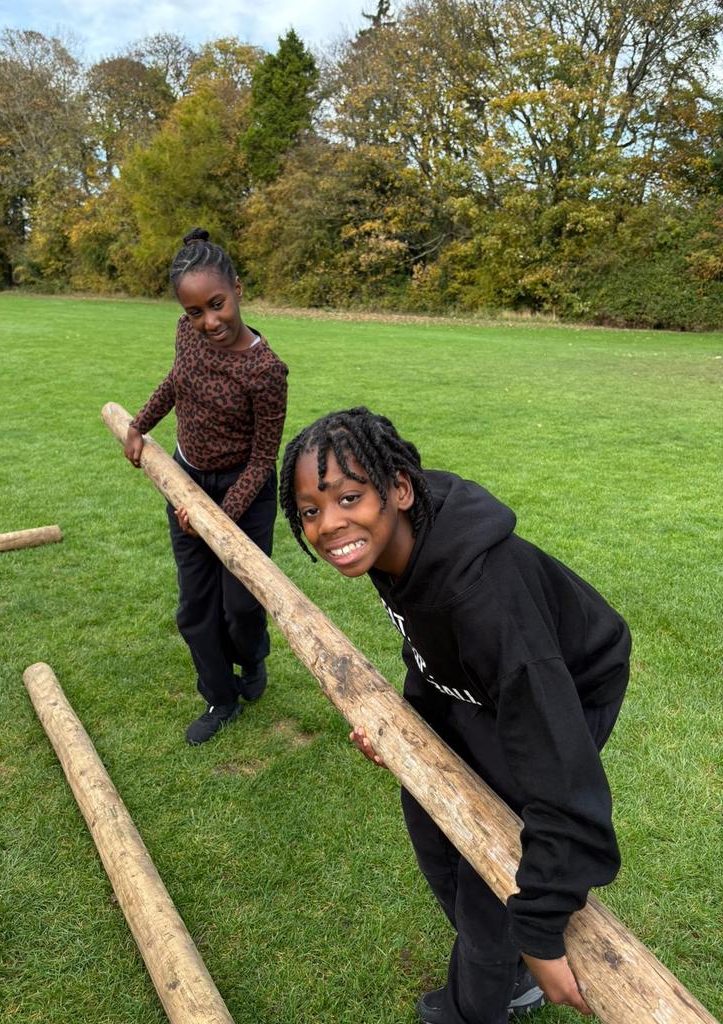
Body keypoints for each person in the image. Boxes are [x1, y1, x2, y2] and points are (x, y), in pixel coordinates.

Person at [278, 407, 630, 1024]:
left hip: (563, 691)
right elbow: (429, 640)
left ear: (400, 491)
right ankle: (496, 963)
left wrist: (543, 934)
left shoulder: (486, 602)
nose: (330, 524)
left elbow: (566, 784)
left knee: (487, 880)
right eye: (311, 510)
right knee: (432, 821)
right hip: (479, 688)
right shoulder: (396, 540)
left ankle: (486, 997)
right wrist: (409, 733)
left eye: (349, 497)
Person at [125, 228, 288, 745]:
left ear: (237, 289)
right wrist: (139, 425)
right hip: (186, 481)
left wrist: (217, 513)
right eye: (195, 312)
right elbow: (177, 381)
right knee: (196, 607)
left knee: (240, 606)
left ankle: (252, 660)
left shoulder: (265, 371)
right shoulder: (187, 334)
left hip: (246, 490)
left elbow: (265, 458)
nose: (209, 322)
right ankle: (220, 696)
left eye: (216, 305)